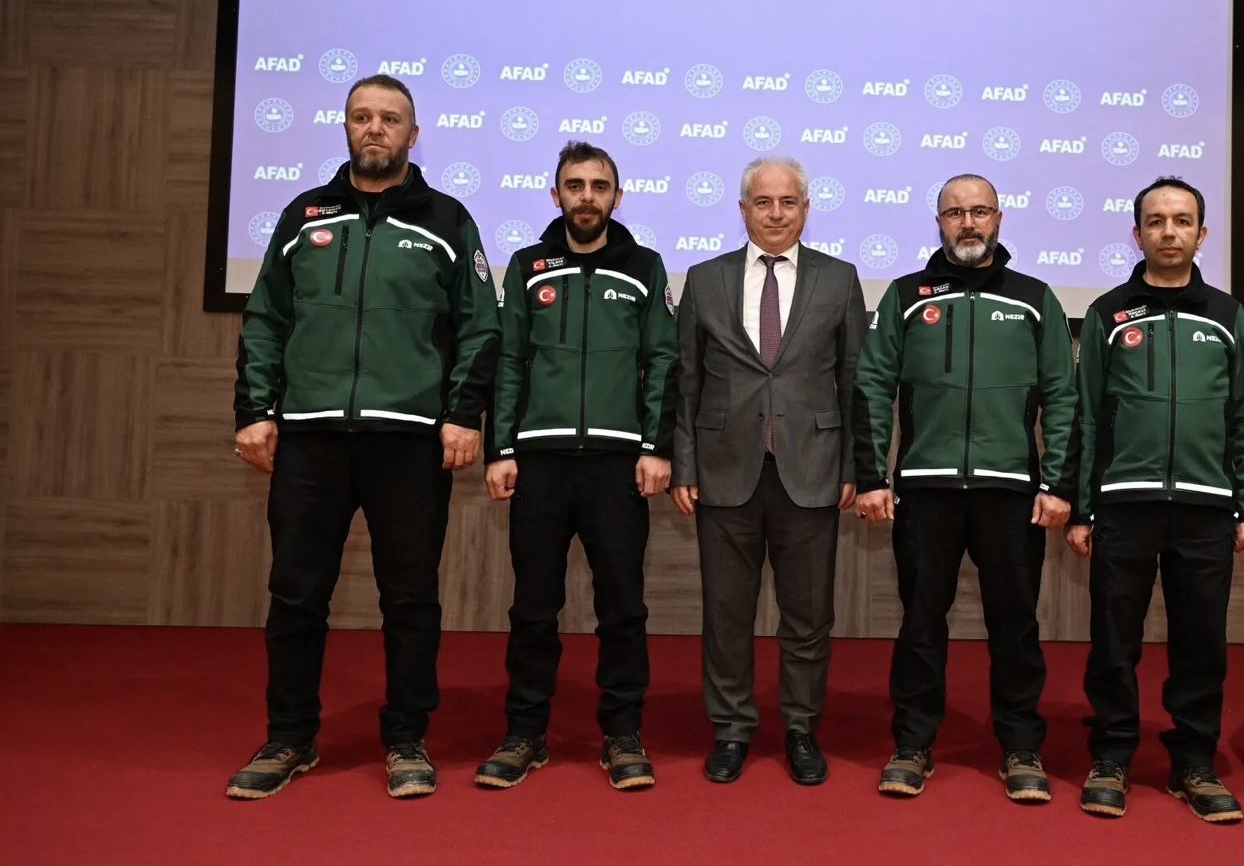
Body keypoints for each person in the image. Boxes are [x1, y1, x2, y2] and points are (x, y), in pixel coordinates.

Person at [227, 74, 500, 799]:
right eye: (362, 117)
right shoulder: (304, 214)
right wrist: (254, 410)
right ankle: (289, 737)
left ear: (413, 133)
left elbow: (481, 327)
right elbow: (266, 319)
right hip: (309, 438)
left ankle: (406, 738)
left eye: (390, 118)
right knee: (295, 594)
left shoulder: (448, 220)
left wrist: (462, 415)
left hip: (409, 441)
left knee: (409, 599)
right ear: (346, 126)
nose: (375, 129)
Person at [853, 173, 1078, 804]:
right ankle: (912, 744)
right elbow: (872, 384)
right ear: (939, 222)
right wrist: (871, 475)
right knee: (921, 622)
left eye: (980, 211)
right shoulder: (906, 295)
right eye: (955, 213)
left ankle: (1021, 746)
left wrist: (1058, 481)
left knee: (1016, 625)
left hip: (1012, 492)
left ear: (999, 218)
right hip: (926, 489)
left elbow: (1063, 395)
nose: (968, 222)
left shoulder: (1034, 298)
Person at [473, 141, 678, 791]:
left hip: (618, 465)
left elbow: (663, 361)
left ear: (617, 196)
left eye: (599, 185)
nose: (587, 196)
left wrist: (656, 447)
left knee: (622, 607)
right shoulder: (527, 266)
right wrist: (501, 450)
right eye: (575, 185)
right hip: (539, 462)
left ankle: (622, 734)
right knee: (534, 608)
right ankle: (524, 733)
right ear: (555, 193)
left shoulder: (644, 267)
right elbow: (508, 361)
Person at [1066, 177, 1244, 822]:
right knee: (1113, 641)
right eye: (1155, 221)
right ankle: (1111, 757)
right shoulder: (1108, 313)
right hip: (1124, 504)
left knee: (1201, 643)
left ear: (1202, 234)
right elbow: (1085, 415)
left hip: (1207, 507)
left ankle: (1194, 764)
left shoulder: (1227, 314)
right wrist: (1082, 507)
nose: (1169, 232)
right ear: (1137, 234)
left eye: (1182, 220)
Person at [670, 156, 866, 785]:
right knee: (726, 613)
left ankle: (802, 728)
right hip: (724, 470)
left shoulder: (840, 279)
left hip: (812, 470)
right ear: (743, 209)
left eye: (787, 202)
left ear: (805, 209)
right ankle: (730, 729)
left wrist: (855, 465)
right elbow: (686, 382)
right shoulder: (705, 279)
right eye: (763, 202)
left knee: (808, 616)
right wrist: (683, 464)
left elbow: (855, 382)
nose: (775, 214)